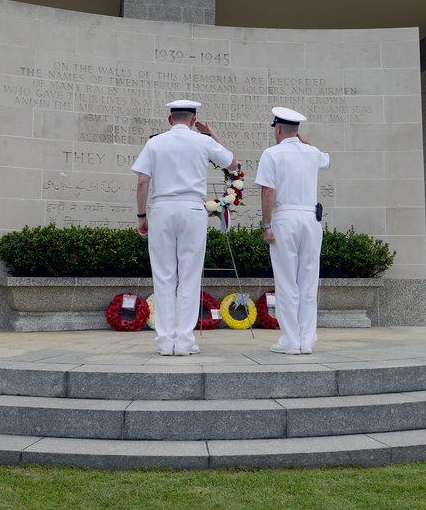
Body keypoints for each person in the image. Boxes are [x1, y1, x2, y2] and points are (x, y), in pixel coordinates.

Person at [132, 100, 236, 356]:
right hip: (192, 209)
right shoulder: (203, 141)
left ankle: (166, 341)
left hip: (162, 209)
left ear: (169, 120)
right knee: (189, 276)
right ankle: (185, 341)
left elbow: (143, 181)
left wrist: (141, 215)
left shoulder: (155, 142)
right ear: (193, 120)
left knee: (164, 276)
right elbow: (232, 164)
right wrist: (211, 134)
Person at [255, 107, 331, 355]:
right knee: (308, 282)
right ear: (297, 131)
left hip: (285, 218)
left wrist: (266, 225)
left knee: (287, 282)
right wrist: (305, 143)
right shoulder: (313, 153)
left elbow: (268, 191)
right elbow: (324, 159)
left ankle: (291, 340)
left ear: (277, 129)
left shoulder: (271, 154)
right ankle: (306, 341)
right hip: (310, 220)